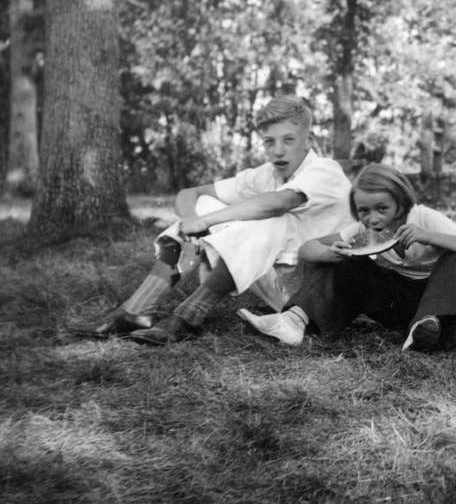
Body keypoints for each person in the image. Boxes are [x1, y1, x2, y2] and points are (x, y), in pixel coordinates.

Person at [72, 95, 352, 343]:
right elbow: (189, 193)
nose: (278, 151)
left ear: (309, 139)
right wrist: (194, 218)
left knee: (269, 219)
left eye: (288, 140)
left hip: (317, 297)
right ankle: (134, 310)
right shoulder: (266, 173)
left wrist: (205, 224)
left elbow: (279, 203)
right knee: (205, 204)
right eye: (270, 141)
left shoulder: (324, 170)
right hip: (280, 284)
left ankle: (188, 316)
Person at [237, 164, 456, 351]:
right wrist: (330, 253)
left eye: (382, 208)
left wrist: (430, 236)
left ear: (402, 204)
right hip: (400, 307)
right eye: (364, 211)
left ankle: (428, 328)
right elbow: (307, 249)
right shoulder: (362, 230)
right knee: (348, 259)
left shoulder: (423, 216)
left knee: (454, 258)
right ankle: (292, 322)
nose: (373, 219)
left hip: (446, 303)